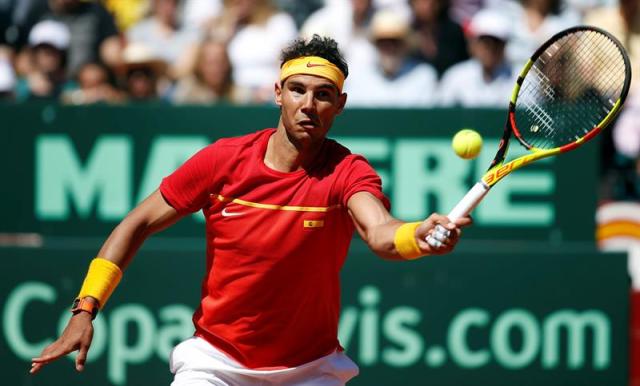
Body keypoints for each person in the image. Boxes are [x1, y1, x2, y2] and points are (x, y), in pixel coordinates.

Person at [29, 35, 471, 385]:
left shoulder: (347, 171)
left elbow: (380, 232)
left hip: (310, 371)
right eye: (297, 90)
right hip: (216, 364)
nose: (308, 105)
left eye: (323, 95)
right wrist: (85, 309)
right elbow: (136, 223)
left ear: (340, 104)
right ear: (278, 93)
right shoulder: (222, 161)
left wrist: (418, 237)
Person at [345, 8, 438, 107]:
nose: (389, 47)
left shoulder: (423, 77)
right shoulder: (359, 79)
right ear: (376, 45)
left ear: (405, 45)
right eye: (383, 42)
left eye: (395, 41)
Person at [436, 9, 515, 107]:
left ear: (504, 45)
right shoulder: (455, 77)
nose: (490, 48)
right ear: (473, 43)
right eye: (484, 41)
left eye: (496, 42)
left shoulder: (520, 79)